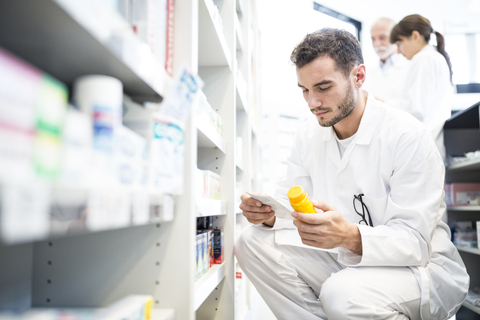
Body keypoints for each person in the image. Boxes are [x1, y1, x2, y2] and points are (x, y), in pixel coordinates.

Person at [234, 28, 468, 320]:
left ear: (358, 77)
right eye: (304, 90)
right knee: (251, 242)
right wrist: (269, 216)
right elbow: (292, 205)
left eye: (323, 87)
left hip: (419, 270)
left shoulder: (407, 136)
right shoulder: (308, 135)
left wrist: (350, 236)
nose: (312, 103)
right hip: (344, 259)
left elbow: (415, 244)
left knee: (342, 295)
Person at [387, 14, 453, 162]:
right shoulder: (434, 57)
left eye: (399, 43)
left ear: (415, 36)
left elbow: (416, 110)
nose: (398, 51)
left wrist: (381, 104)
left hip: (423, 148)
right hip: (430, 146)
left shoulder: (424, 59)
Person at [364, 17, 408, 103]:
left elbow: (412, 109)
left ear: (396, 37)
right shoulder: (368, 73)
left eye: (382, 38)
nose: (377, 44)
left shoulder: (409, 67)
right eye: (373, 39)